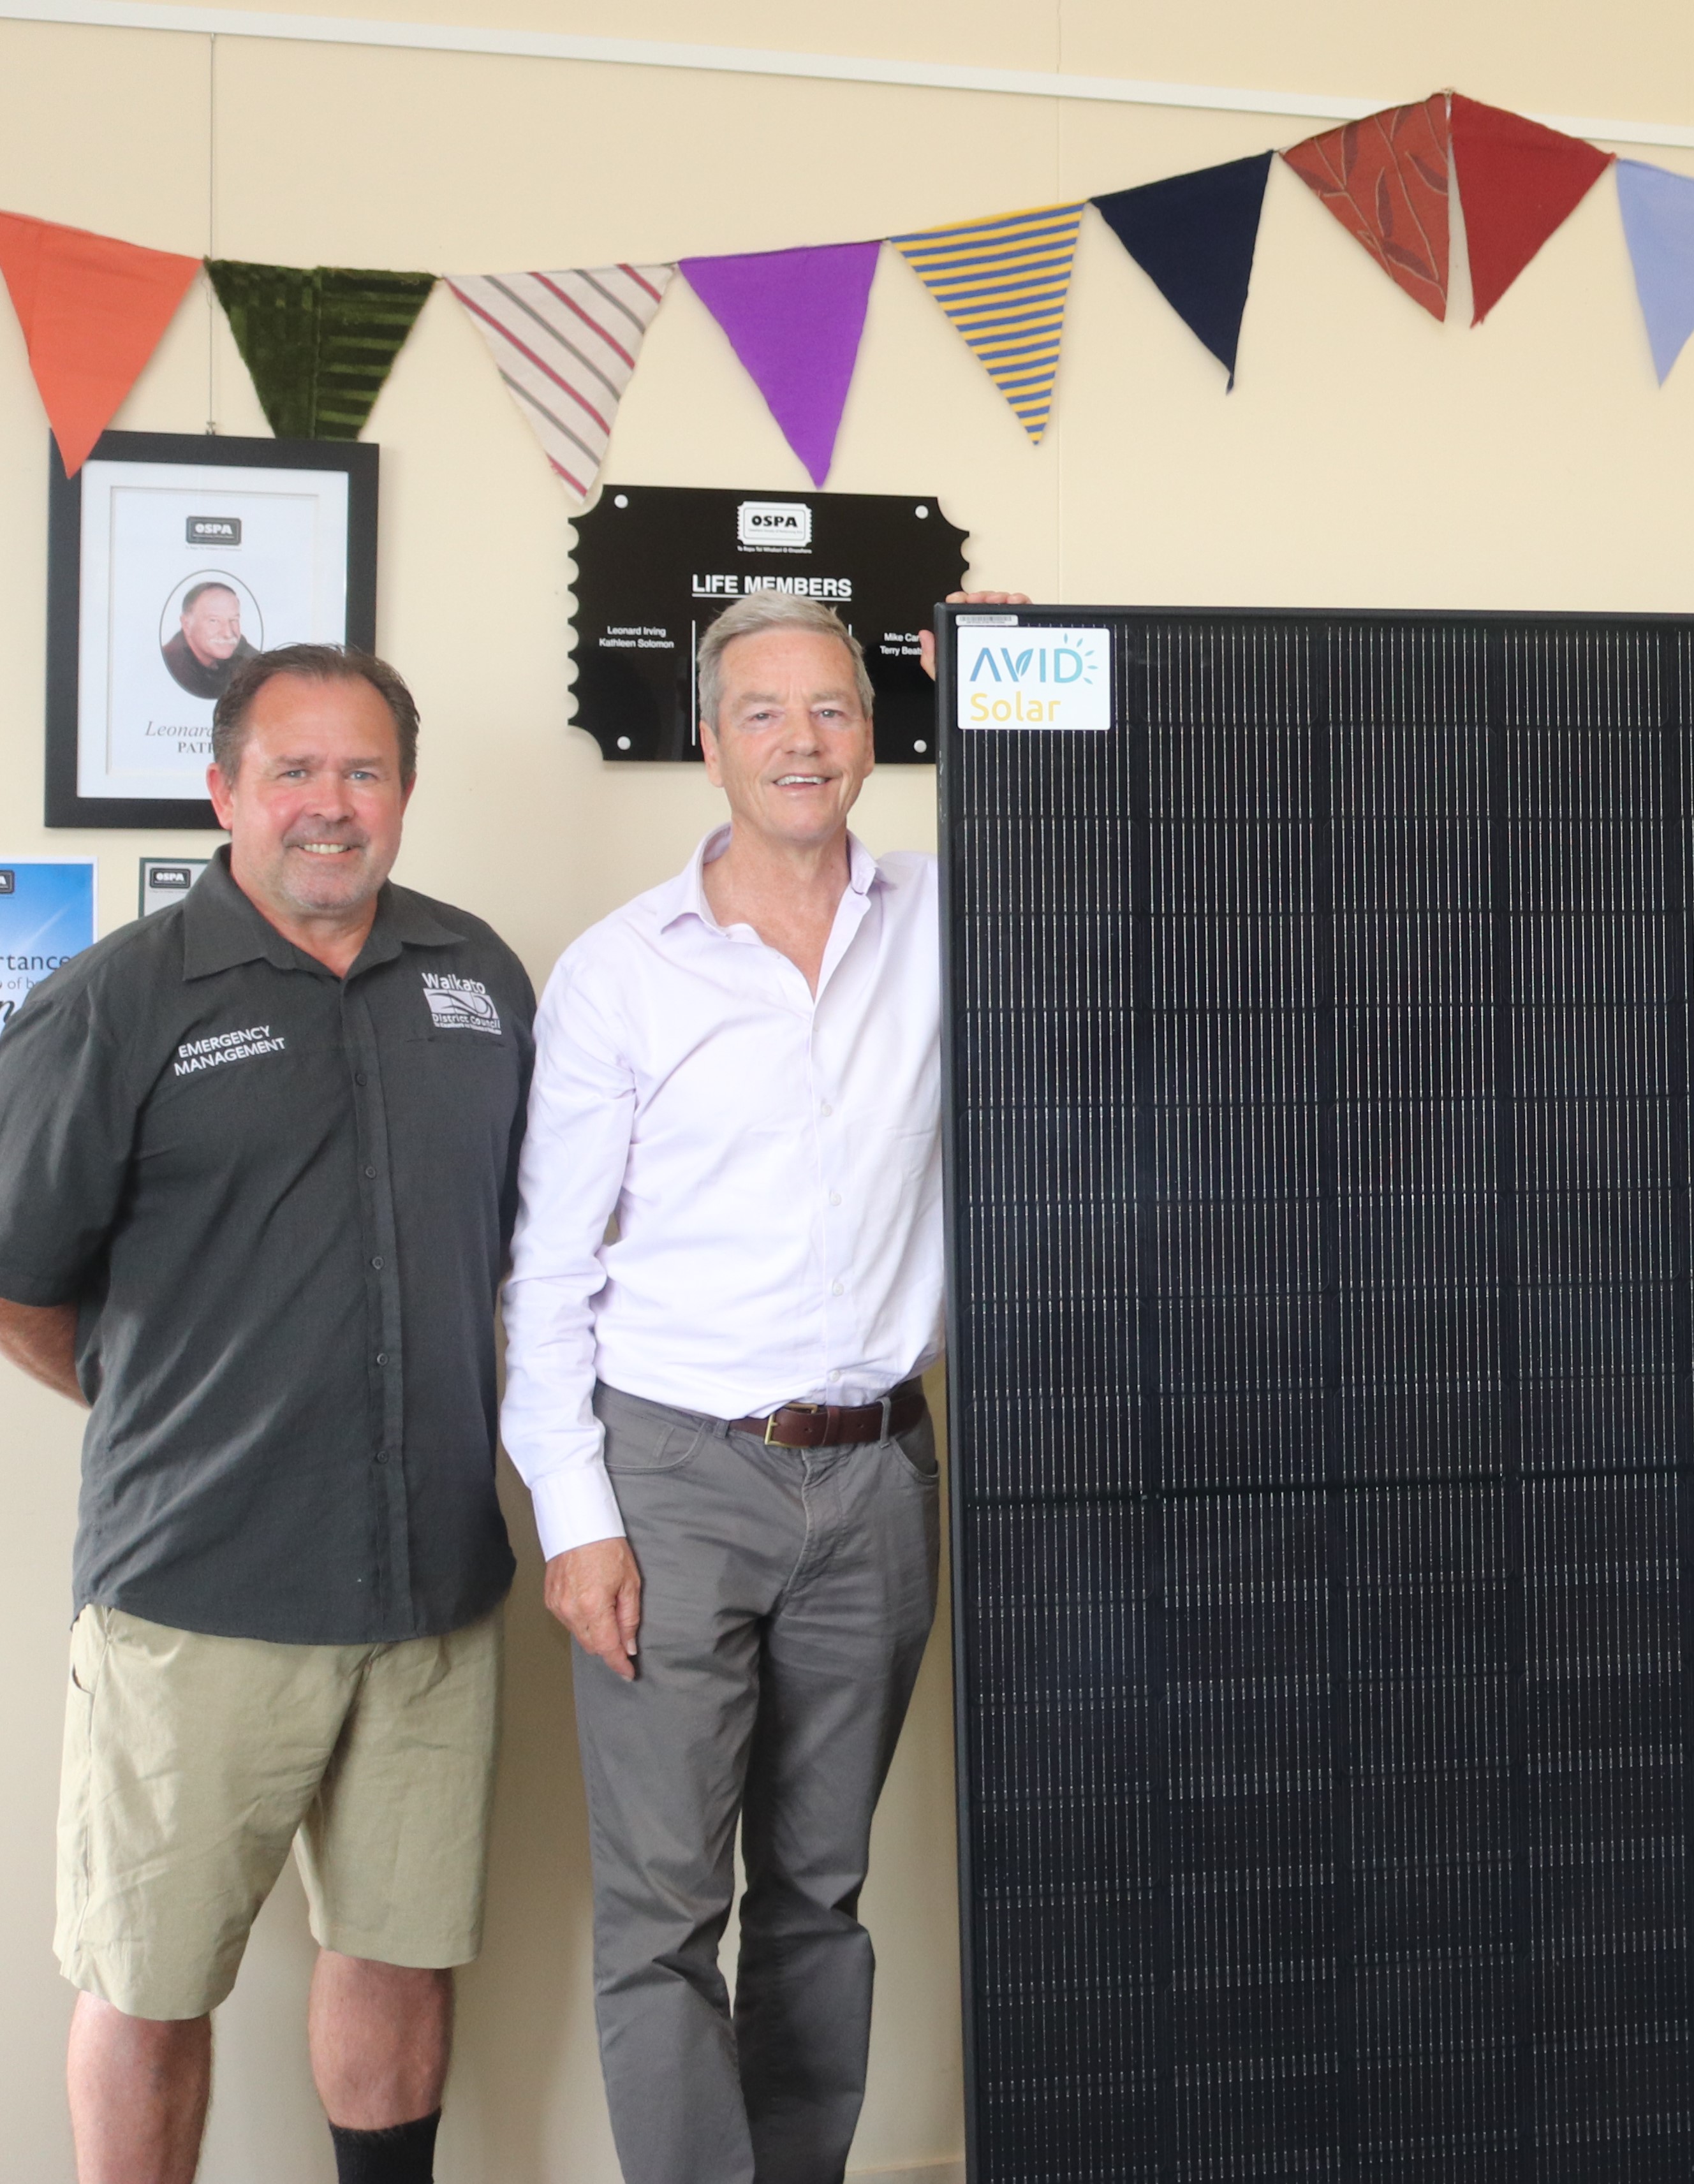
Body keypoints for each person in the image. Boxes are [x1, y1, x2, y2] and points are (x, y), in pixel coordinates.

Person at [0, 645, 533, 2184]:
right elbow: (21, 1277)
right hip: (198, 1603)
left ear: (406, 795)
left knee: (400, 1955)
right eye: (291, 770)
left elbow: (534, 1243)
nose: (328, 804)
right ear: (223, 787)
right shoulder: (119, 1001)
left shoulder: (476, 977)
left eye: (362, 771)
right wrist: (166, 1408)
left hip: (435, 1594)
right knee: (151, 1987)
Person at [501, 589, 945, 2183]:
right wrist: (576, 1518)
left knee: (819, 1893)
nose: (802, 742)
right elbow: (547, 1273)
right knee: (664, 1911)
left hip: (882, 1473)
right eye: (762, 713)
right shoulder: (619, 973)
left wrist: (1027, 680)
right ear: (706, 744)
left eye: (831, 708)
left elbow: (1129, 872)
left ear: (874, 734)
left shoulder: (957, 920)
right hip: (672, 1480)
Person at [159, 581, 261, 701]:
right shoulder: (166, 669)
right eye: (214, 621)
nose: (228, 633)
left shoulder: (243, 653)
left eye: (233, 620)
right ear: (187, 625)